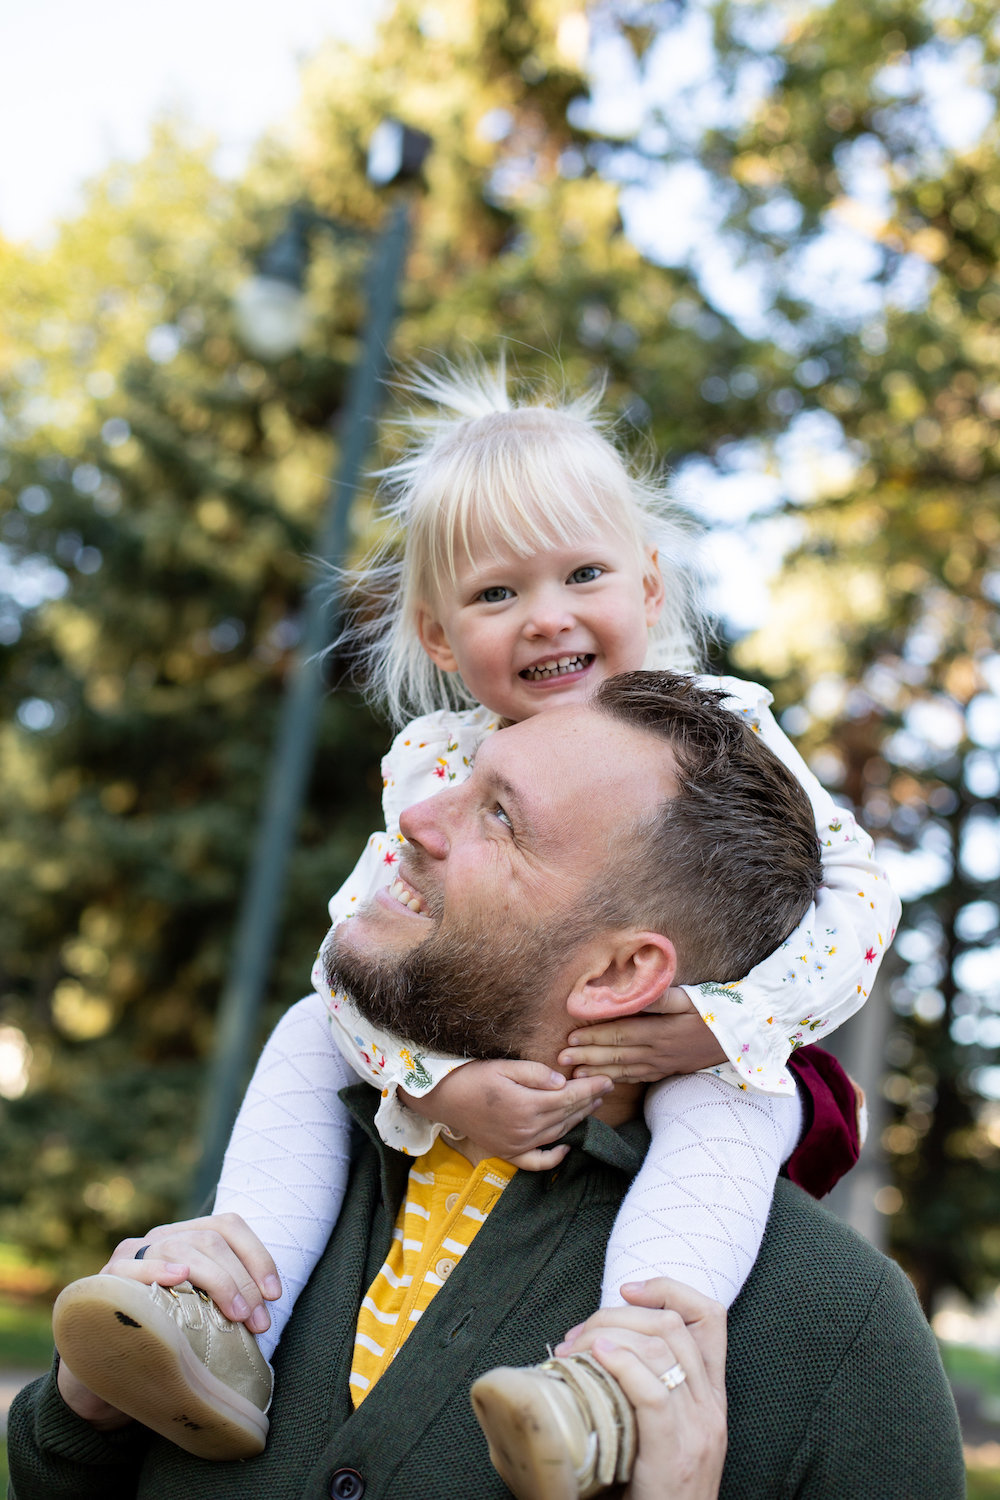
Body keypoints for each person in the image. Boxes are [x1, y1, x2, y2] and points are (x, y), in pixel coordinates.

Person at [47, 366, 893, 1477]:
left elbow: (857, 897)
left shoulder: (718, 735)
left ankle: (630, 1368)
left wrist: (727, 1019)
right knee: (309, 1033)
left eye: (582, 573)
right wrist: (433, 1083)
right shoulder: (435, 765)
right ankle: (230, 1305)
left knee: (744, 1098)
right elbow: (355, 954)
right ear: (440, 637)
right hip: (466, 1032)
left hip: (679, 1025)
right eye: (497, 596)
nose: (547, 616)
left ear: (647, 585)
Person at [8, 676, 963, 1500]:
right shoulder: (303, 1176)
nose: (414, 817)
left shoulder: (839, 1332)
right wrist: (82, 1418)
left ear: (619, 974)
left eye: (499, 815)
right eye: (463, 778)